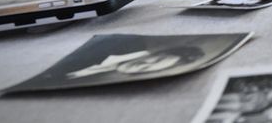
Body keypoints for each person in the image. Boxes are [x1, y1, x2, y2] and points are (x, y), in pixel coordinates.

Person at [65, 46, 204, 79]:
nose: (143, 65)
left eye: (150, 69)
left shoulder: (101, 75)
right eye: (157, 59)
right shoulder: (105, 50)